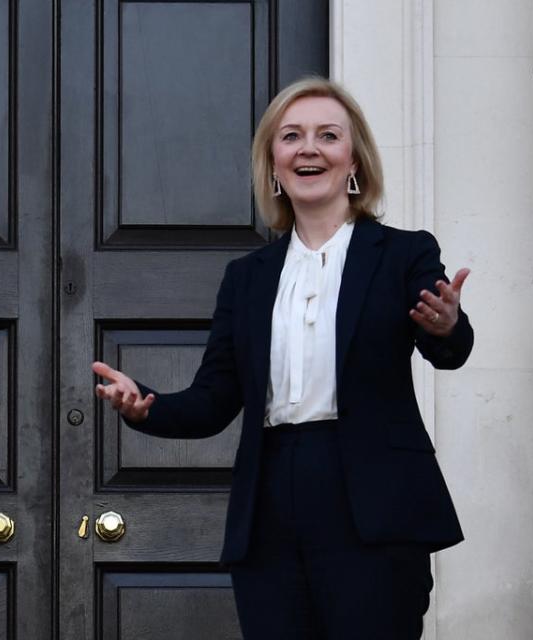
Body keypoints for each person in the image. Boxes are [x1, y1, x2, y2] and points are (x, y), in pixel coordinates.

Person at [93, 77, 472, 639]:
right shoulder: (246, 279)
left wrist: (447, 326)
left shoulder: (404, 253)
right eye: (291, 136)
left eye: (327, 135)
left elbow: (450, 348)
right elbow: (213, 400)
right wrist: (145, 408)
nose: (308, 148)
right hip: (270, 503)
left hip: (372, 502)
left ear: (354, 161)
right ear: (273, 164)